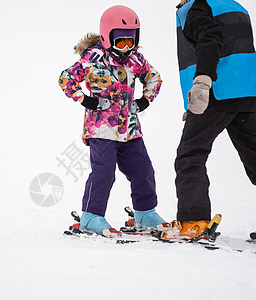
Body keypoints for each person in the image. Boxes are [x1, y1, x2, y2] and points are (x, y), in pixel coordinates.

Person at [162, 0, 256, 243]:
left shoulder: (198, 7)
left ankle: (193, 222)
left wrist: (202, 82)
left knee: (190, 154)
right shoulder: (235, 6)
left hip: (217, 93)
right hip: (248, 92)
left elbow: (210, 39)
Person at [58, 5, 167, 236]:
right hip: (101, 129)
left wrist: (145, 101)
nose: (126, 47)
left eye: (131, 41)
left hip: (130, 129)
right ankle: (91, 217)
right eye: (121, 42)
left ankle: (145, 212)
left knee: (143, 170)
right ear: (108, 37)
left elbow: (154, 78)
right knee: (104, 172)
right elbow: (66, 78)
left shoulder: (135, 59)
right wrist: (86, 100)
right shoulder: (93, 59)